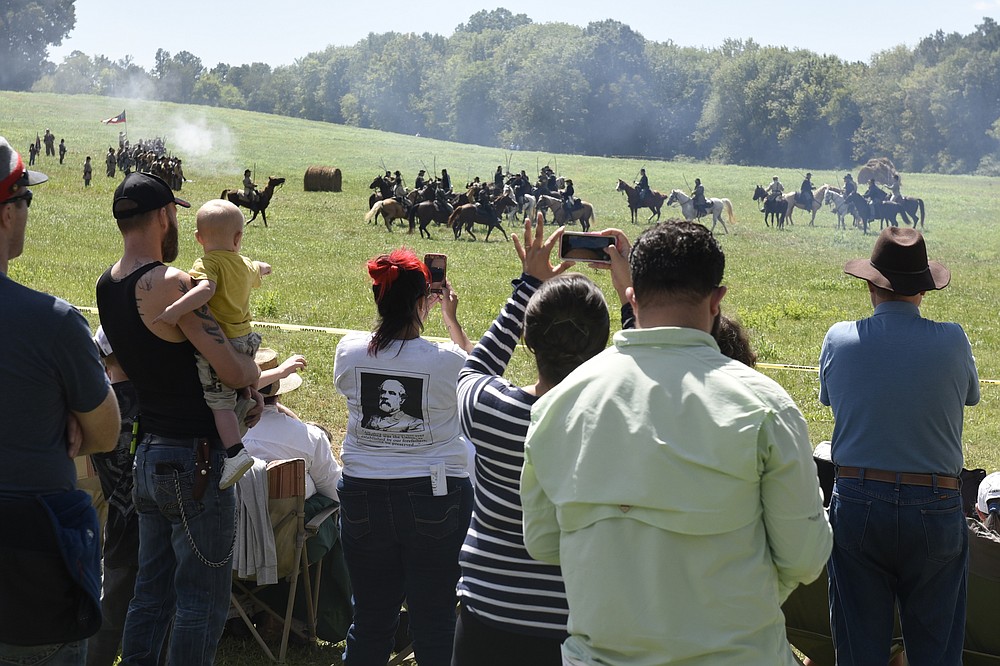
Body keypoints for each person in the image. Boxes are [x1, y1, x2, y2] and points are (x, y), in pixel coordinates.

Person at [521, 220, 832, 666]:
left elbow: (543, 543)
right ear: (717, 301)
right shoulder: (766, 407)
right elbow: (804, 557)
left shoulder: (560, 403)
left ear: (632, 296)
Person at [96, 171, 262, 666]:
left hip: (148, 452)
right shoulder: (171, 282)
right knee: (201, 601)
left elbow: (123, 367)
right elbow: (231, 372)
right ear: (166, 216)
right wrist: (256, 368)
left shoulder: (108, 285)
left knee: (151, 592)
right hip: (197, 460)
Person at [454, 216, 620, 666]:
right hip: (577, 626)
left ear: (527, 339)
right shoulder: (618, 424)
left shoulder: (488, 410)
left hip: (486, 617)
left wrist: (528, 284)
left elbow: (474, 368)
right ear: (603, 346)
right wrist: (630, 296)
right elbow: (648, 379)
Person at [818, 226, 979, 666]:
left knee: (857, 650)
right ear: (924, 291)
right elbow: (971, 396)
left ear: (871, 284)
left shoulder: (839, 338)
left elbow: (828, 399)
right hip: (936, 499)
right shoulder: (953, 339)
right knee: (937, 653)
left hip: (857, 497)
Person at [0, 136, 119, 665]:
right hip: (28, 566)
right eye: (27, 201)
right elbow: (105, 433)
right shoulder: (53, 322)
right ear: (7, 213)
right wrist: (65, 411)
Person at [333, 248, 474, 666]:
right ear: (422, 302)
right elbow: (479, 375)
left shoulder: (348, 351)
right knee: (434, 621)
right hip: (435, 495)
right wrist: (449, 318)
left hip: (362, 494)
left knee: (371, 621)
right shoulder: (449, 360)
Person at [152, 199, 271, 490]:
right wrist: (265, 268)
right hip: (247, 341)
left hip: (224, 342)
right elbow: (260, 268)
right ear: (238, 238)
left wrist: (176, 310)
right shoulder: (243, 263)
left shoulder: (207, 263)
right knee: (236, 387)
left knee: (219, 404)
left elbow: (206, 289)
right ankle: (247, 396)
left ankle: (234, 452)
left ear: (198, 238)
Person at [241, 348, 353, 644]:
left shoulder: (219, 434)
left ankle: (258, 611)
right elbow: (337, 490)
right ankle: (322, 616)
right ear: (280, 393)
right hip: (286, 554)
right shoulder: (307, 437)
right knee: (326, 513)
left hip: (228, 551)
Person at [86, 327, 140, 666]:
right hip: (159, 522)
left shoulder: (96, 406)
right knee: (158, 607)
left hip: (119, 526)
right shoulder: (160, 397)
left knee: (109, 612)